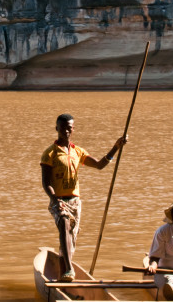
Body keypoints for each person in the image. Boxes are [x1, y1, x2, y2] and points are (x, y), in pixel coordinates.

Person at [40, 114, 127, 281]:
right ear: (56, 128)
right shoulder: (49, 153)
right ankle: (70, 269)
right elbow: (46, 182)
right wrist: (55, 199)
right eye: (63, 127)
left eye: (69, 128)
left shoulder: (77, 151)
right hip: (58, 200)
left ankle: (63, 273)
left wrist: (116, 147)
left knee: (70, 239)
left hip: (74, 201)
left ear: (73, 129)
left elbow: (100, 165)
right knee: (64, 223)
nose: (66, 131)